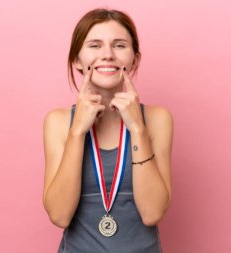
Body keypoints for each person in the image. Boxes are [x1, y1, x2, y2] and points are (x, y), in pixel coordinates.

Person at [42, 8, 174, 253]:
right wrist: (77, 132)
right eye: (94, 45)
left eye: (120, 45)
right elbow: (59, 215)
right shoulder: (58, 122)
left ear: (134, 59)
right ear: (76, 60)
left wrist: (137, 128)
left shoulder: (157, 119)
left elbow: (152, 212)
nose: (107, 55)